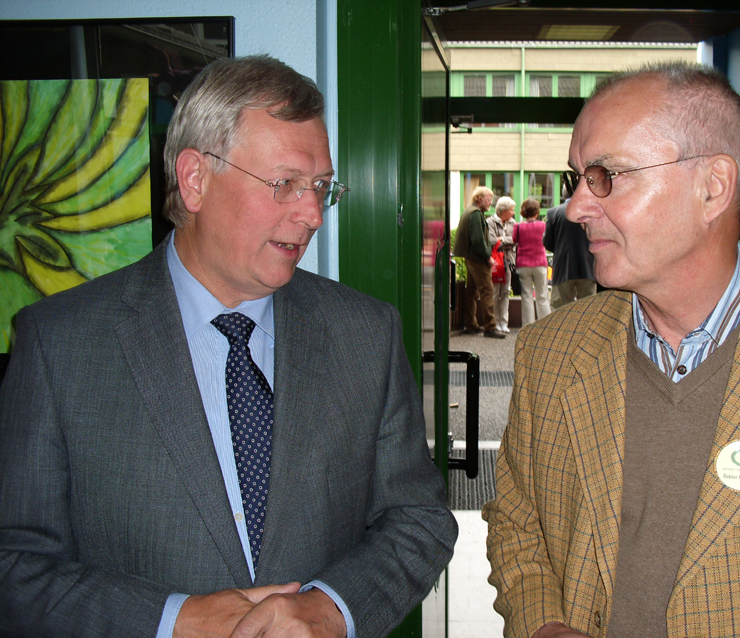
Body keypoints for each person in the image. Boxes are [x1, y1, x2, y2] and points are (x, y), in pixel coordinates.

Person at [0, 55, 457, 638]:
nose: (312, 213)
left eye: (320, 187)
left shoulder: (364, 332)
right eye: (285, 183)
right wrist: (173, 620)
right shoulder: (60, 343)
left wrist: (331, 608)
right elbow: (14, 564)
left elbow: (418, 519)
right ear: (195, 179)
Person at [484, 60, 740, 638]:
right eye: (576, 177)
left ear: (713, 187)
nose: (577, 207)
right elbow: (516, 522)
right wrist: (542, 624)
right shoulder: (549, 353)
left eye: (608, 175)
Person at [453, 185, 505, 339]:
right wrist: (488, 257)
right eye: (489, 200)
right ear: (480, 199)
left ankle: (471, 325)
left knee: (472, 292)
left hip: (470, 257)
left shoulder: (469, 211)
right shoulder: (476, 214)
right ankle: (490, 327)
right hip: (477, 259)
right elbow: (478, 240)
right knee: (487, 291)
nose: (491, 203)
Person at [544, 199, 595, 309]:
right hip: (587, 266)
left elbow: (547, 242)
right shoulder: (592, 213)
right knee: (588, 309)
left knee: (560, 309)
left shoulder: (554, 212)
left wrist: (559, 250)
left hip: (563, 267)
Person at [512, 198, 551, 326]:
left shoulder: (517, 227)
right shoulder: (543, 226)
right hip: (540, 263)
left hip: (523, 264)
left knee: (527, 296)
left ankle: (528, 326)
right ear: (536, 212)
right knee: (542, 296)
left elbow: (513, 240)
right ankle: (545, 325)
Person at [487, 196, 516, 333]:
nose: (513, 212)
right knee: (495, 292)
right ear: (503, 211)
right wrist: (506, 240)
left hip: (508, 261)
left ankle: (504, 322)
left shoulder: (513, 223)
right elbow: (492, 241)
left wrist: (502, 239)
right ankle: (495, 321)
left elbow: (515, 240)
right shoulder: (490, 222)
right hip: (495, 262)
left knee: (505, 292)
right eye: (511, 210)